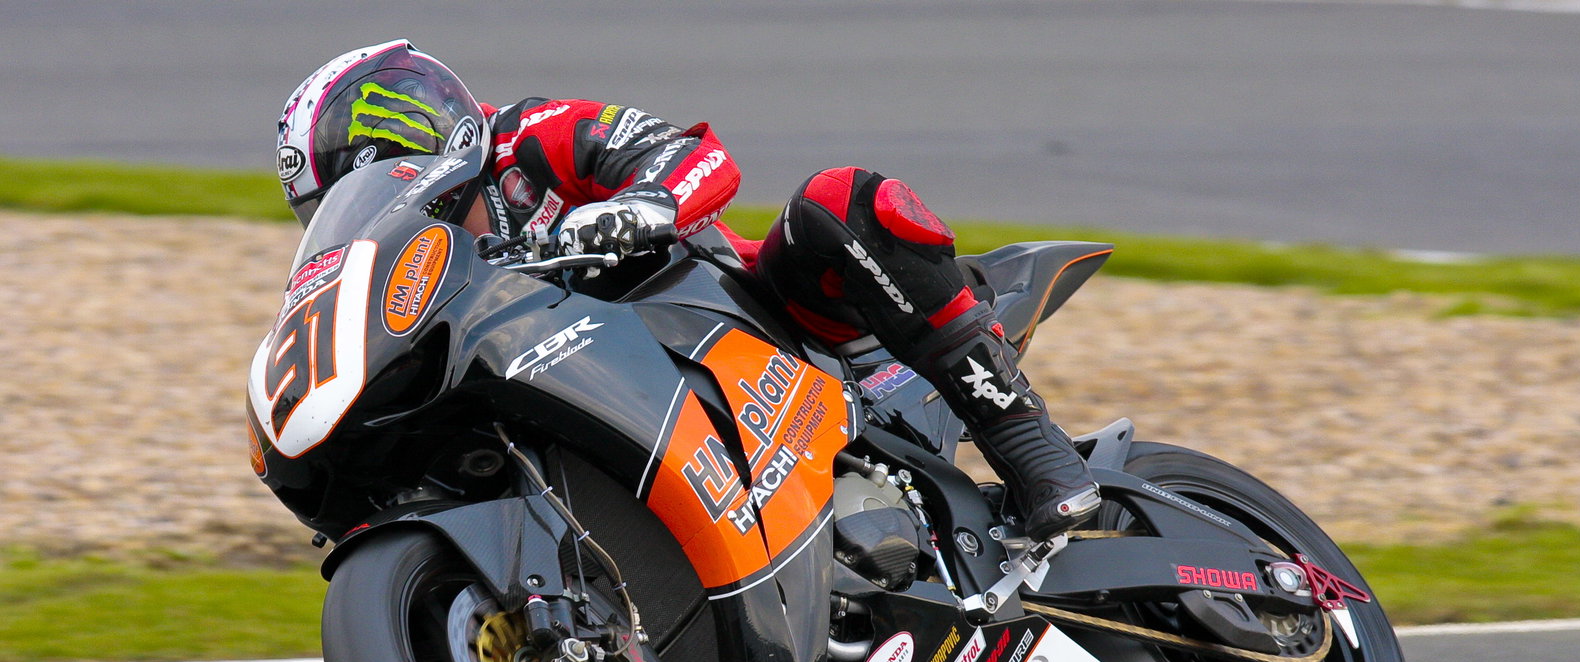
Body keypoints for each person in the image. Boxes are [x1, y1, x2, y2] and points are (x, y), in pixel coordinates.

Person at [276, 40, 1099, 542]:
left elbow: (694, 156)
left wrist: (641, 207)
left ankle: (1030, 447)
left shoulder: (524, 139)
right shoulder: (423, 271)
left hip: (773, 322)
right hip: (629, 396)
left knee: (835, 202)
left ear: (416, 120)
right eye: (338, 200)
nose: (372, 195)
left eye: (371, 166)